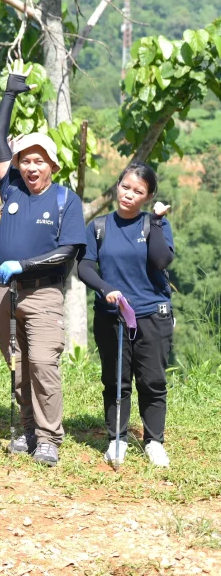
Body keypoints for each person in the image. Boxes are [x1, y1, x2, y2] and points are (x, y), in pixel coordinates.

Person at [0, 62, 86, 467]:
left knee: (43, 363)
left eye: (39, 161)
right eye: (25, 160)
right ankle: (28, 429)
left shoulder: (66, 200)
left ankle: (49, 438)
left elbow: (68, 253)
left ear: (52, 166)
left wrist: (23, 265)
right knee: (18, 364)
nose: (31, 167)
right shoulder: (10, 187)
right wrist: (9, 95)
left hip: (44, 293)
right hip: (6, 294)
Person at [78, 162, 175, 467]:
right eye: (125, 187)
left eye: (138, 191)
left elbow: (161, 261)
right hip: (111, 316)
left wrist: (158, 221)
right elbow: (83, 267)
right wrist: (105, 288)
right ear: (117, 185)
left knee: (152, 381)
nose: (129, 195)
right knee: (115, 380)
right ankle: (116, 438)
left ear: (148, 197)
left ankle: (154, 441)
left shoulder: (152, 224)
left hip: (151, 315)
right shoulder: (99, 227)